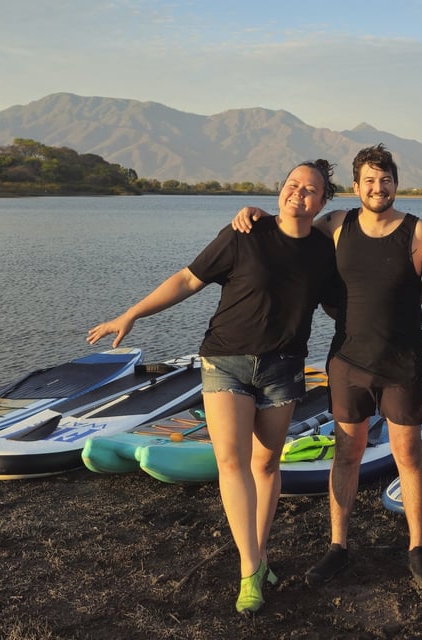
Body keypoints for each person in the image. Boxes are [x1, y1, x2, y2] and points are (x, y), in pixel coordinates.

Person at [88, 160, 339, 615]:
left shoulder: (324, 253)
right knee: (231, 461)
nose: (298, 193)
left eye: (310, 189)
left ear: (322, 201)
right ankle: (249, 569)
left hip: (284, 367)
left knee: (265, 465)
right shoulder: (245, 233)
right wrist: (131, 314)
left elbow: (349, 300)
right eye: (291, 185)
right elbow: (188, 279)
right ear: (279, 190)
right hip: (225, 360)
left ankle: (259, 556)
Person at [231, 144, 422, 591]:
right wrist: (255, 215)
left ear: (396, 184)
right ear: (355, 186)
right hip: (348, 361)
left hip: (402, 360)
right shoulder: (336, 225)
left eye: (385, 180)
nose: (377, 187)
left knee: (408, 453)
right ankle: (338, 545)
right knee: (347, 452)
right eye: (369, 180)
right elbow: (292, 228)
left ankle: (418, 548)